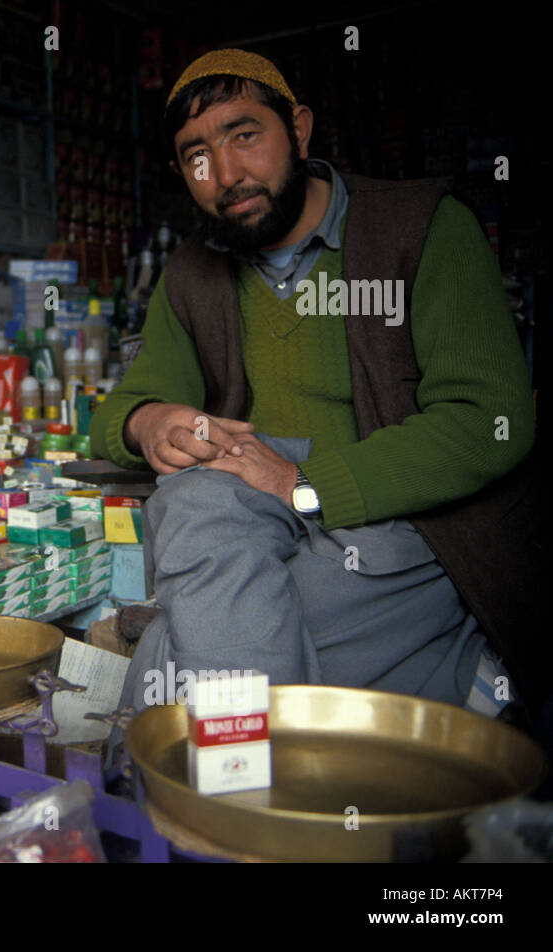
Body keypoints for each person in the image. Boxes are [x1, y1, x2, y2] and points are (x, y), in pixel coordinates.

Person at [89, 49, 542, 719]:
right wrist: (149, 422)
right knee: (187, 504)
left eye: (246, 136)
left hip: (397, 513)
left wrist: (306, 485)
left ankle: (226, 793)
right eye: (197, 157)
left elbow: (491, 419)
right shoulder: (193, 272)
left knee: (171, 655)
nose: (228, 174)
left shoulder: (421, 230)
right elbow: (122, 410)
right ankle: (429, 675)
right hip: (251, 503)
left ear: (298, 130)